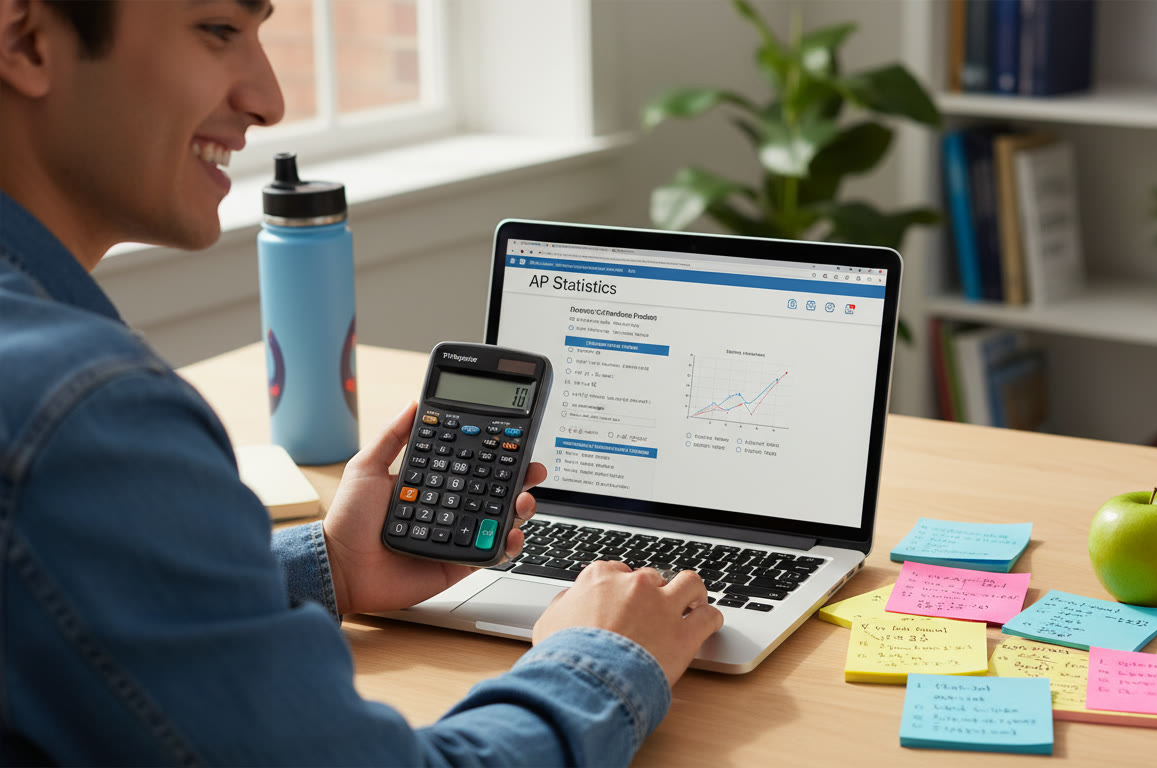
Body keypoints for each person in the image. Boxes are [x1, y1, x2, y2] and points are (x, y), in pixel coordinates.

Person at [0, 0, 723, 764]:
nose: (269, 101)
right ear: (27, 40)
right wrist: (602, 659)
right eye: (219, 30)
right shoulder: (84, 416)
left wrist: (334, 566)